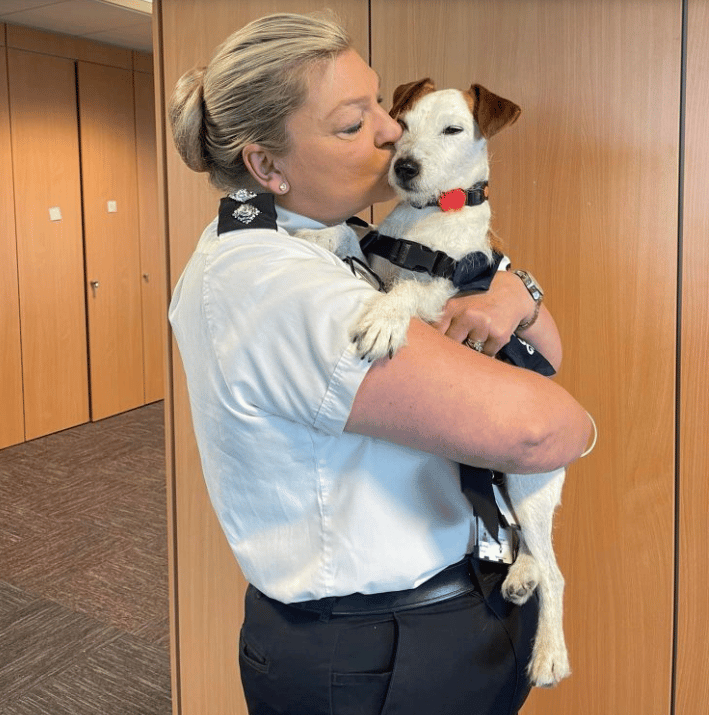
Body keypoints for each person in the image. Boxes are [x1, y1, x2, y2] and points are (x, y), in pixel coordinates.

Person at [167, 11, 592, 715]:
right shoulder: (280, 287)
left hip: (437, 619)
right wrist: (567, 405)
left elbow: (546, 347)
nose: (393, 130)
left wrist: (519, 290)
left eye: (379, 105)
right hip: (378, 651)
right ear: (265, 165)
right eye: (350, 122)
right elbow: (543, 429)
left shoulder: (342, 239)